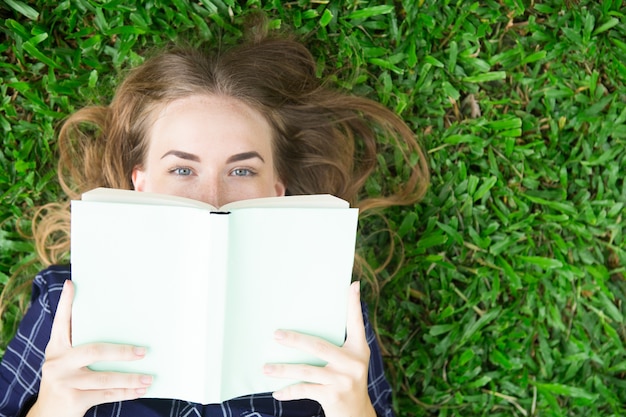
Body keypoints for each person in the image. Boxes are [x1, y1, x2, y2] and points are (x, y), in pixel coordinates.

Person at [0, 16, 429, 417]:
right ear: (140, 183)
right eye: (182, 169)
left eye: (241, 170)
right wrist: (51, 406)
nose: (213, 199)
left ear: (276, 191)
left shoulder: (332, 310)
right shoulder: (67, 300)